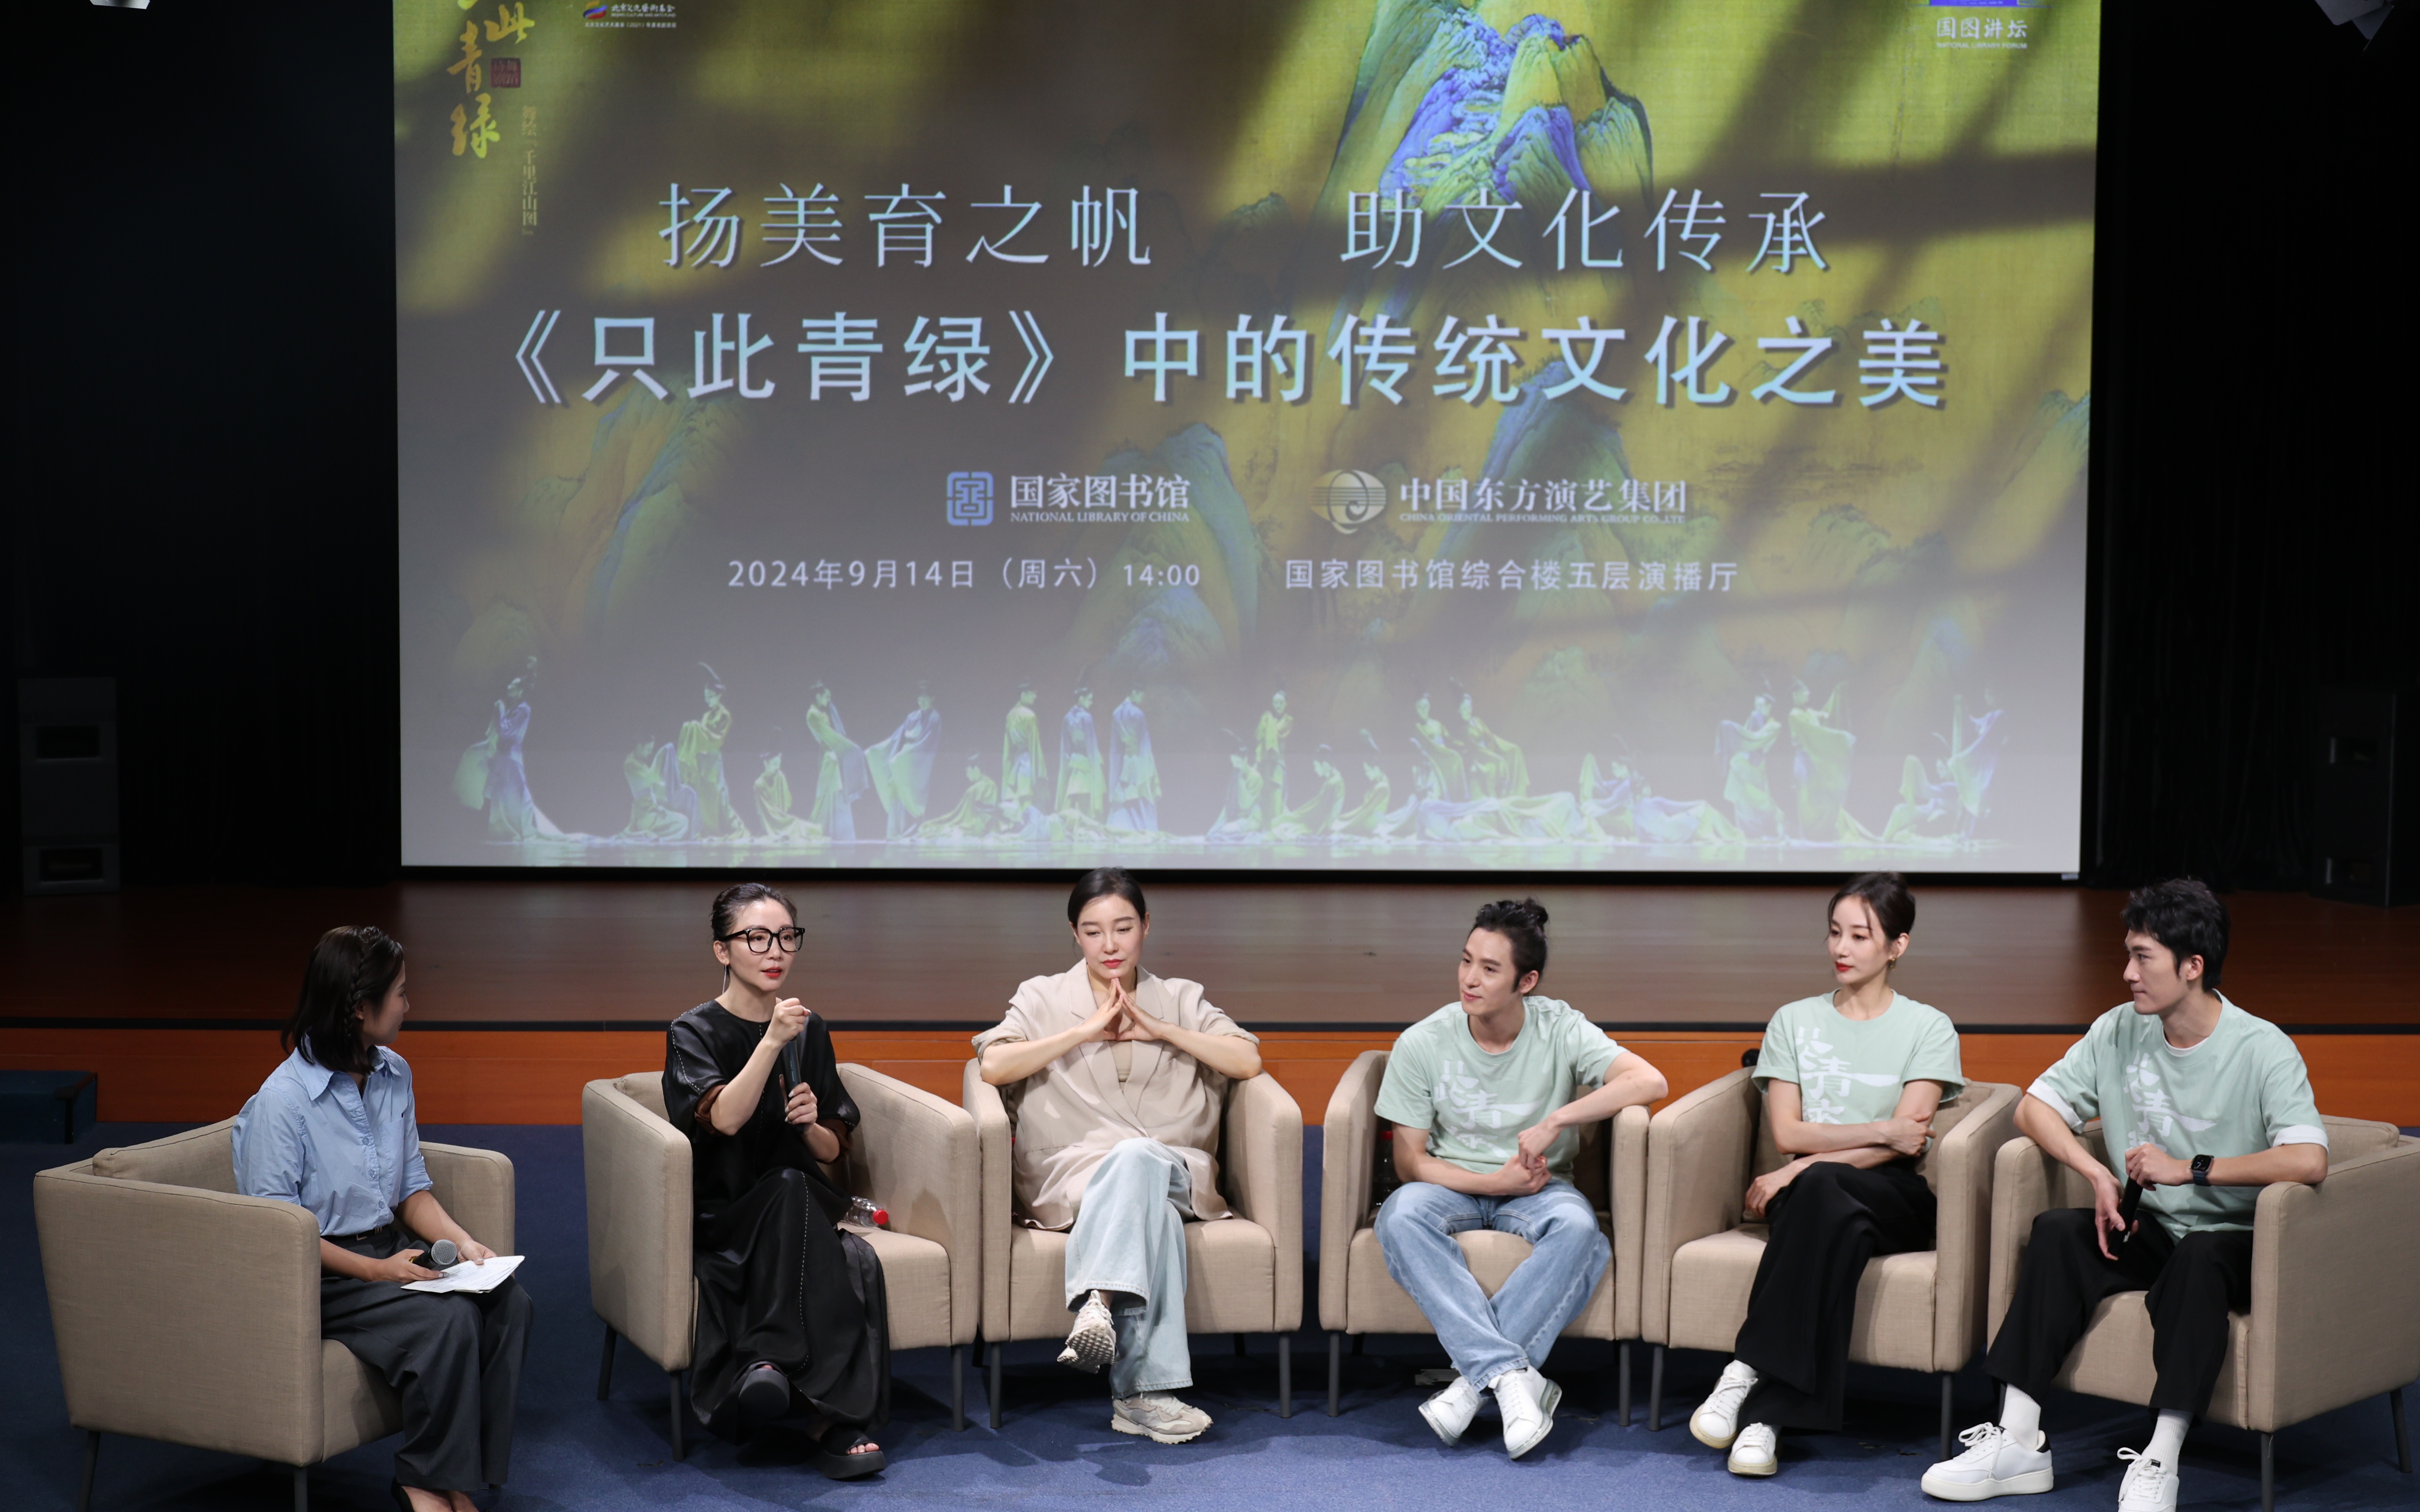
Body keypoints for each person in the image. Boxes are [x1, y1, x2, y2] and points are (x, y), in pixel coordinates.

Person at [1922, 880, 2328, 1512]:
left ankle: (2161, 1457)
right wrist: (2095, 1172)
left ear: (2192, 966)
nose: (2128, 973)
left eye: (2143, 957)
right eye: (2128, 955)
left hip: (2237, 1240)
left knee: (2199, 1260)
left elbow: (2308, 1158)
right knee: (2059, 1231)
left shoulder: (2261, 1048)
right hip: (2153, 1227)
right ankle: (2020, 1440)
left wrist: (2191, 1169)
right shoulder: (2118, 1029)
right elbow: (2034, 1108)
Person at [233, 927, 532, 1512]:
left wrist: (465, 1243)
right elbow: (279, 1233)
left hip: (388, 1249)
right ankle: (423, 1479)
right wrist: (375, 1271)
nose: (408, 1004)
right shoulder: (282, 1102)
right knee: (449, 1321)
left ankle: (457, 1478)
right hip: (321, 1273)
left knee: (509, 1303)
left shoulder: (394, 1072)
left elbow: (410, 1189)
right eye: (399, 993)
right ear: (358, 1008)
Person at [974, 868, 1264, 1445]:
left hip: (1172, 1165)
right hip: (1075, 1172)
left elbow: (1246, 1060)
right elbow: (994, 1065)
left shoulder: (1180, 998)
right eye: (1093, 931)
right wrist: (1083, 1031)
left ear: (1146, 927)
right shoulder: (1042, 996)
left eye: (1124, 928)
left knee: (1139, 1159)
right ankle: (1143, 1398)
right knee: (1154, 1215)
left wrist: (1161, 1029)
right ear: (1075, 935)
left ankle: (1098, 1299)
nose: (1110, 944)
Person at [1686, 872, 1961, 1476]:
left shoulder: (1929, 1027)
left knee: (1819, 1187)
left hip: (1893, 1194)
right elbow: (1788, 1133)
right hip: (1816, 1199)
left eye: (1860, 936)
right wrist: (1874, 1131)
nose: (1841, 947)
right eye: (1835, 932)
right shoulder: (1793, 1021)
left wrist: (1807, 1165)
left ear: (1897, 945)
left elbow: (1907, 1142)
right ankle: (1765, 1420)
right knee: (1833, 1218)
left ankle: (1744, 1370)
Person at [1373, 899, 1668, 1459]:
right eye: (1466, 961)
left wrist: (1557, 1120)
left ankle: (1471, 1384)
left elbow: (1649, 1081)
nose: (1469, 979)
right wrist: (1494, 1184)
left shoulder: (1560, 1027)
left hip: (1538, 1189)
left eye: (1490, 969)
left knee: (1580, 1229)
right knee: (1400, 1213)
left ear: (1526, 982)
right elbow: (1410, 1164)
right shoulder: (1423, 1041)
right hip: (1452, 1184)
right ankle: (1511, 1377)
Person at [661, 883, 891, 1477]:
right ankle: (835, 1418)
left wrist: (812, 1124)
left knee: (804, 1195)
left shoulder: (810, 1029)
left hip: (799, 1202)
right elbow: (724, 1119)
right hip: (727, 1211)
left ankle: (767, 1366)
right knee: (794, 1193)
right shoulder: (693, 1032)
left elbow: (832, 1148)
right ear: (722, 949)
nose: (776, 952)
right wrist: (770, 1042)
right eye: (757, 938)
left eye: (787, 937)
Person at [864, 683, 941, 838]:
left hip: (917, 762)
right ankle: (894, 831)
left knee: (909, 792)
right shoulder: (912, 717)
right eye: (920, 698)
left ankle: (909, 828)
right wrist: (879, 751)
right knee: (895, 789)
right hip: (903, 759)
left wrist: (904, 758)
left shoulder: (934, 718)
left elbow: (927, 743)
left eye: (926, 698)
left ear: (933, 699)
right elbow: (897, 738)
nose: (922, 701)